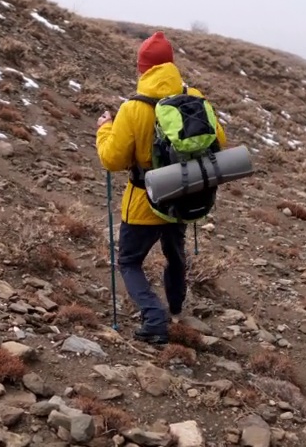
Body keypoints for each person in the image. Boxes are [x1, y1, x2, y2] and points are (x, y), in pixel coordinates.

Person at [95, 30, 227, 344]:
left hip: (144, 200)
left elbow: (112, 160)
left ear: (143, 69)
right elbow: (219, 141)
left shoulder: (133, 108)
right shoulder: (194, 97)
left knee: (129, 261)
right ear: (170, 65)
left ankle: (154, 318)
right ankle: (177, 309)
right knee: (175, 254)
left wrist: (104, 129)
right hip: (184, 194)